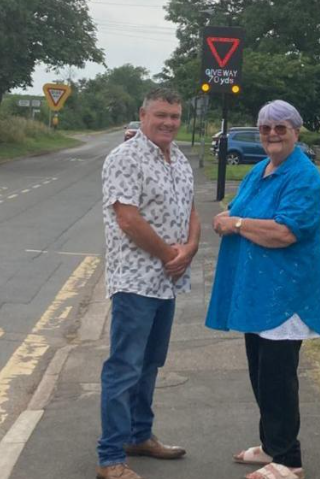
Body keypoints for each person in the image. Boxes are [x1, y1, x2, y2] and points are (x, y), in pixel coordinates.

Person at [206, 100, 320, 479]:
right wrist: (228, 218)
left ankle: (289, 460)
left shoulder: (303, 177)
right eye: (265, 128)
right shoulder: (262, 169)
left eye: (281, 127)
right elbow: (237, 208)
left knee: (278, 378)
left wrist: (237, 223)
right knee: (260, 373)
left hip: (285, 296)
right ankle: (271, 445)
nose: (272, 134)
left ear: (296, 131)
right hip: (257, 294)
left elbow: (285, 232)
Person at [98, 88, 200, 479]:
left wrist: (189, 249)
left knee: (151, 364)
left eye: (175, 116)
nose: (169, 123)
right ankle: (110, 458)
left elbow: (190, 209)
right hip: (135, 282)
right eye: (161, 115)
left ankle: (139, 436)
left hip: (166, 282)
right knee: (124, 367)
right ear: (142, 115)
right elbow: (128, 219)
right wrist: (169, 255)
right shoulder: (125, 158)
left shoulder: (179, 159)